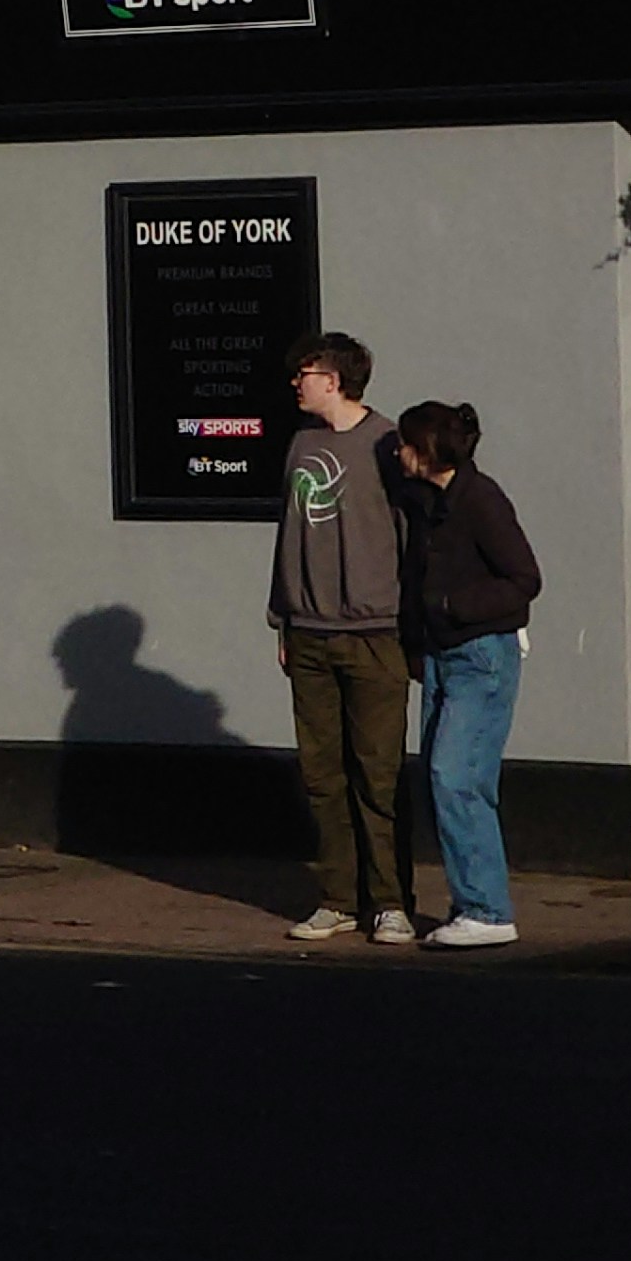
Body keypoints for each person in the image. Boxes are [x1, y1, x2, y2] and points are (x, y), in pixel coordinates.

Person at [269, 328, 415, 944]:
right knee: (321, 774)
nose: (294, 385)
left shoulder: (386, 445)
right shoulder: (300, 444)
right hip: (309, 632)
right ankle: (337, 898)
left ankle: (390, 902)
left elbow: (411, 534)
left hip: (375, 633)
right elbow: (288, 533)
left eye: (303, 373)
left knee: (376, 774)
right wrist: (283, 616)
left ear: (333, 379)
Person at [396, 398, 541, 952]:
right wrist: (419, 641)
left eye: (408, 444)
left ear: (430, 450)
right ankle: (471, 902)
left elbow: (524, 578)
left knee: (455, 776)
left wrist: (454, 606)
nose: (400, 453)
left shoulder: (480, 500)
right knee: (450, 779)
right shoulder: (426, 501)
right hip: (439, 656)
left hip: (480, 655)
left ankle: (487, 908)